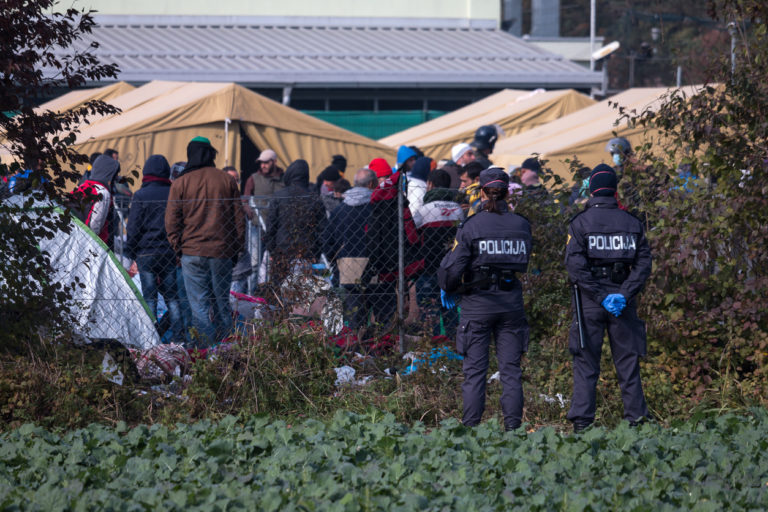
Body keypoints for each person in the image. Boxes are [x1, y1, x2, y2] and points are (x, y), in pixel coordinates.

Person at [438, 167, 532, 431]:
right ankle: (513, 430)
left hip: (478, 305)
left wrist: (448, 286)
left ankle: (471, 430)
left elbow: (454, 266)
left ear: (481, 192)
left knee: (475, 373)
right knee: (511, 372)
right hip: (511, 303)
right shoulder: (521, 225)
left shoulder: (472, 225)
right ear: (506, 193)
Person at [564, 164, 653, 432]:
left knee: (586, 363)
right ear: (615, 190)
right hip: (622, 299)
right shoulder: (633, 222)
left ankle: (582, 423)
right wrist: (623, 294)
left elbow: (575, 266)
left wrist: (601, 296)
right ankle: (637, 421)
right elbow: (644, 263)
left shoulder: (580, 223)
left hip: (590, 300)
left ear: (591, 190)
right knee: (628, 363)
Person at [165, 136, 245, 347]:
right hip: (222, 253)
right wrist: (236, 249)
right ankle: (228, 352)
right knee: (221, 305)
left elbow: (171, 222)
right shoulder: (226, 180)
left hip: (192, 252)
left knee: (198, 307)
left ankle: (204, 356)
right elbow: (239, 219)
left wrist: (179, 249)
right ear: (211, 154)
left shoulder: (181, 182)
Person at [125, 155, 184, 343]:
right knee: (172, 298)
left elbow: (133, 227)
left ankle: (151, 339)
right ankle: (179, 337)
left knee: (149, 298)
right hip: (168, 252)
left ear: (146, 172)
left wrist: (131, 252)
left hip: (146, 253)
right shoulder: (173, 192)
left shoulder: (141, 195)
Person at [323, 168, 377, 328]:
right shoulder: (376, 209)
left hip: (346, 264)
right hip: (373, 264)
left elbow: (327, 240)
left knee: (353, 314)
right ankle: (374, 347)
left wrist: (336, 261)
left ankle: (353, 347)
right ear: (372, 183)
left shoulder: (340, 210)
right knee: (376, 314)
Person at [413, 168, 464, 336]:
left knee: (429, 314)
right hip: (453, 269)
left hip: (428, 268)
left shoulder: (424, 210)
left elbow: (412, 237)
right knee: (451, 312)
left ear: (429, 185)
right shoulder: (459, 209)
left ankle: (432, 349)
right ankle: (455, 346)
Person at [264, 159, 327, 284]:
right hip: (307, 253)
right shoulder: (314, 198)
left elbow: (271, 227)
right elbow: (323, 230)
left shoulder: (279, 196)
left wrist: (272, 250)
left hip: (282, 252)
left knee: (280, 291)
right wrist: (316, 253)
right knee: (304, 292)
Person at [70, 154, 121, 248]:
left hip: (74, 238)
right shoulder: (102, 192)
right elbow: (95, 224)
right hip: (92, 245)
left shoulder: (83, 186)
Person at [244, 149, 285, 214]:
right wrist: (248, 210)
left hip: (281, 221)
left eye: (266, 162)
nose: (263, 166)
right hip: (260, 221)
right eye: (261, 162)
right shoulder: (253, 179)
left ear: (275, 161)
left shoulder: (285, 178)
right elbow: (245, 201)